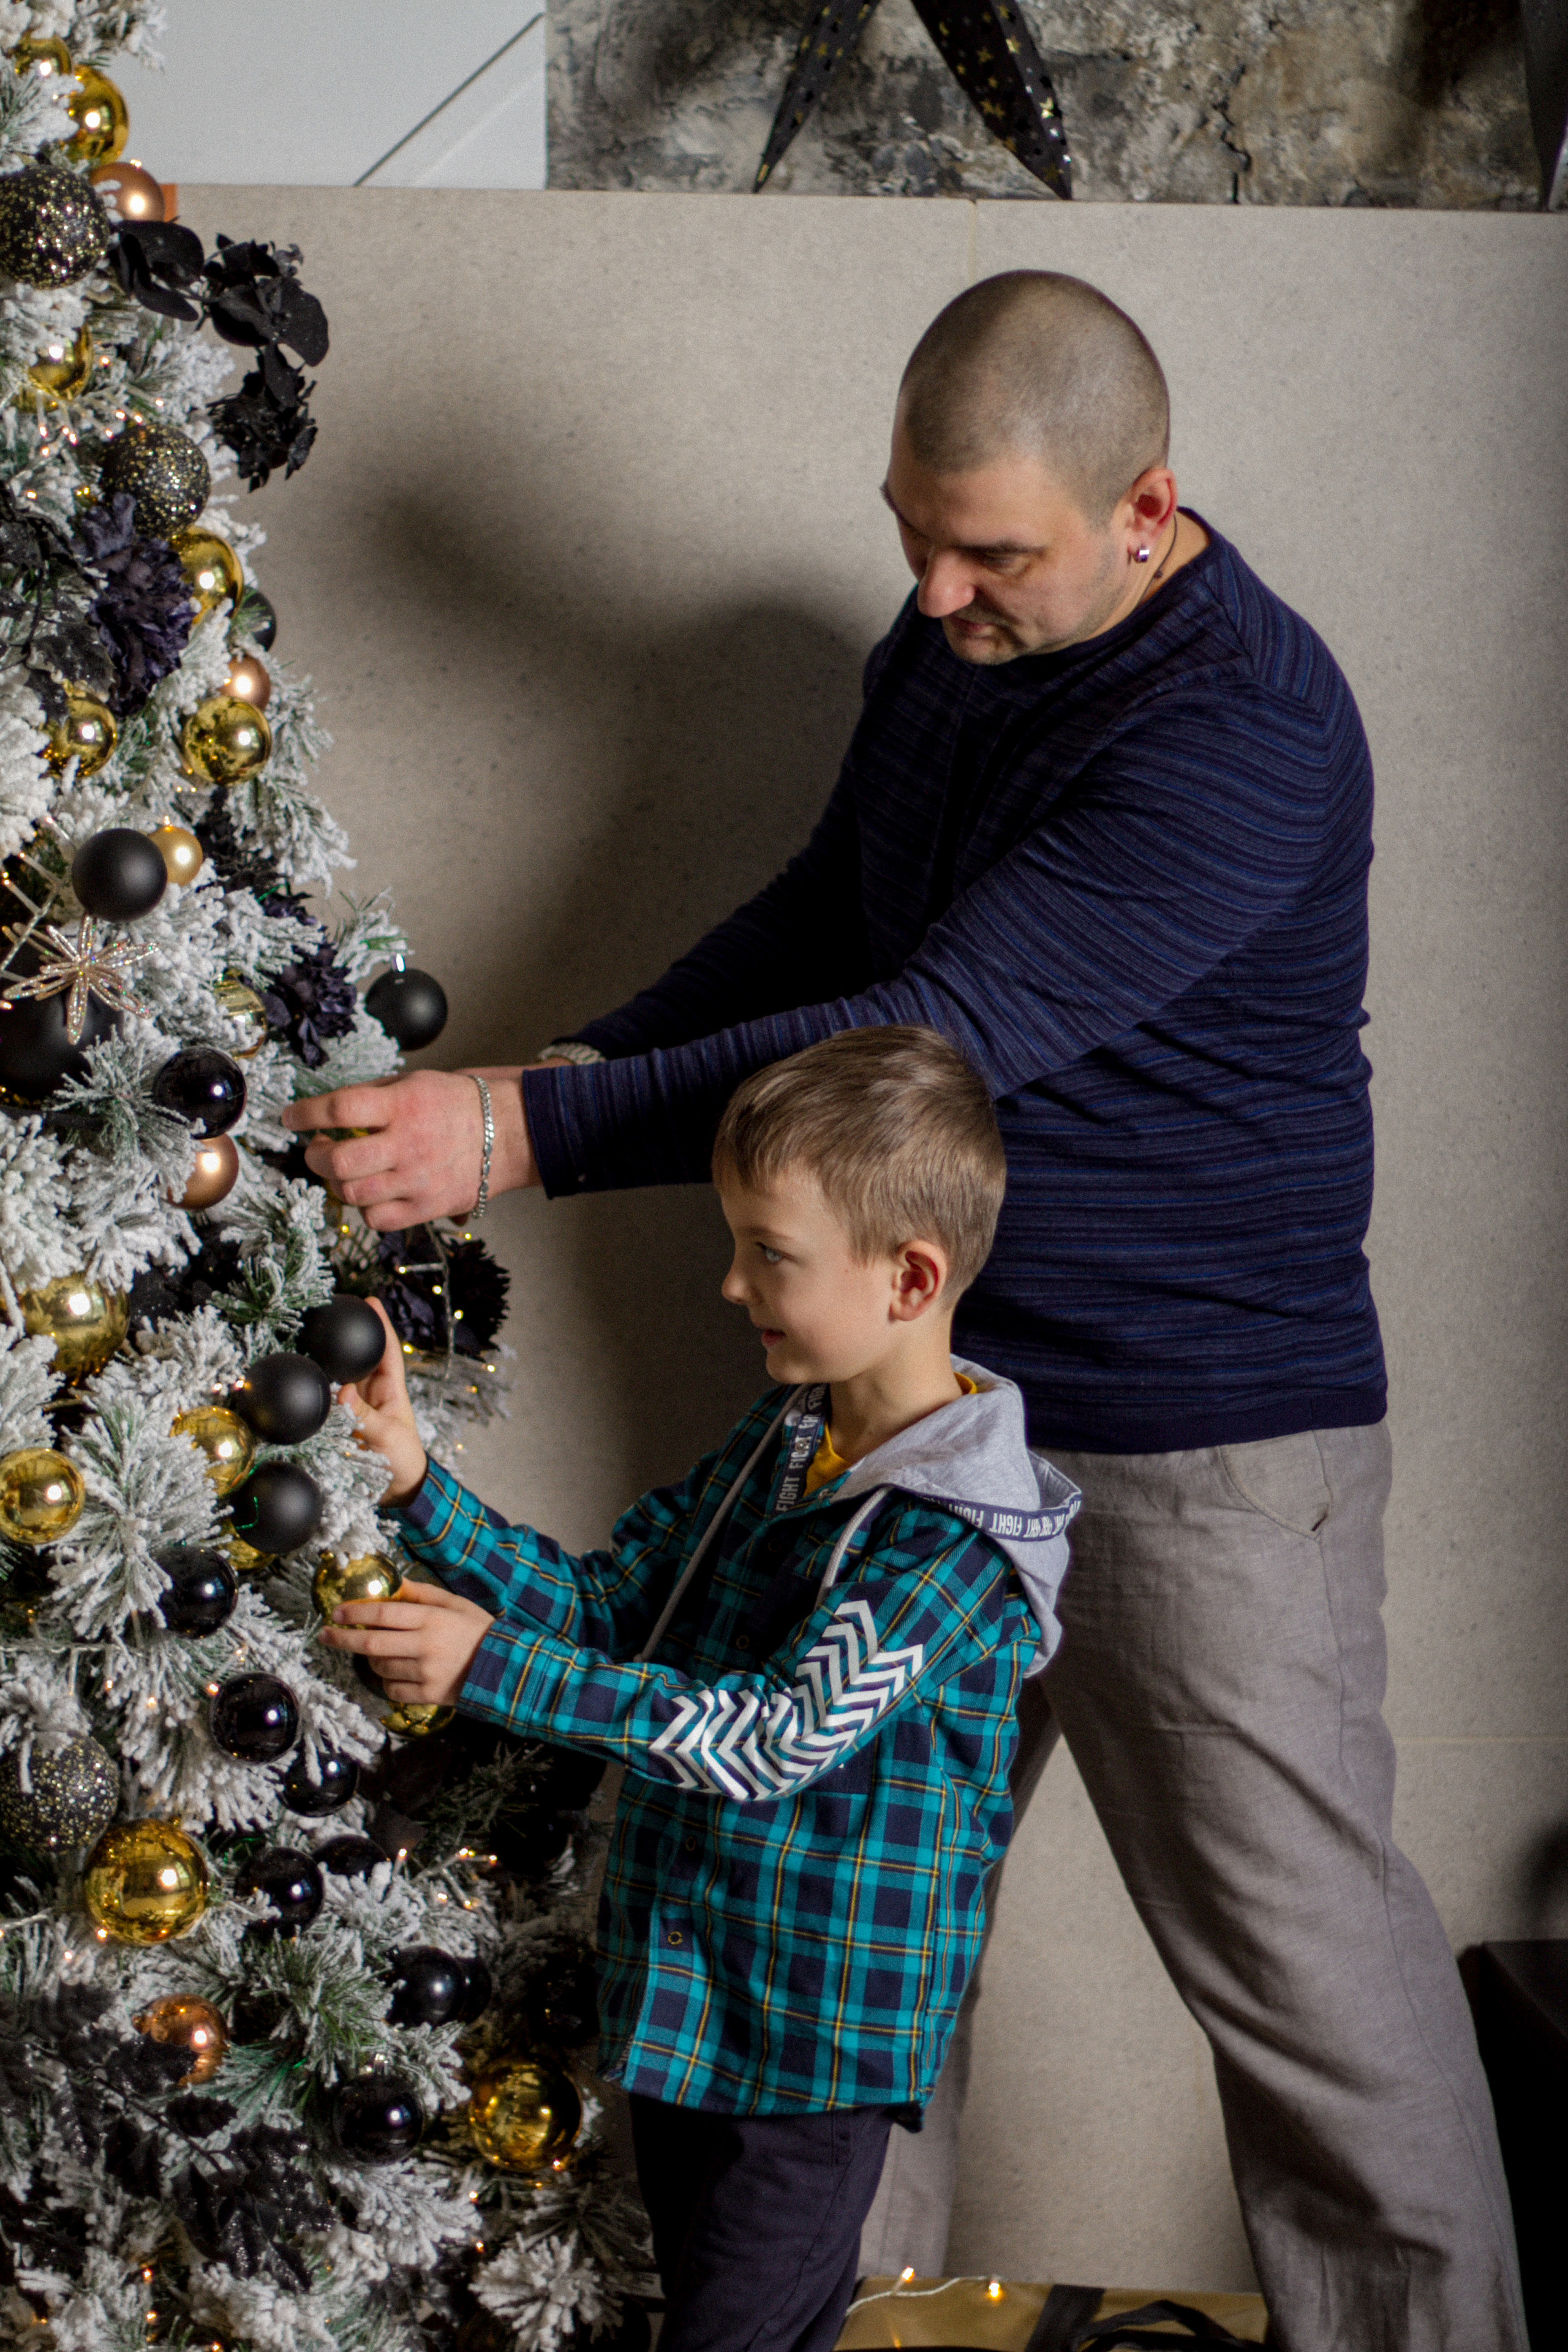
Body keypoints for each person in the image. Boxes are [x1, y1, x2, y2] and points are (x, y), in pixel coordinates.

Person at [289, 272, 1525, 2350]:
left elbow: (924, 1026)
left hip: (1201, 1436)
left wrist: (522, 1136)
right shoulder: (952, 640)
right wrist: (570, 1068)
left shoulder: (1242, 732)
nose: (938, 595)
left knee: (1311, 1989)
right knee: (841, 1915)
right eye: (911, 536)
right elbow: (827, 923)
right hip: (925, 1407)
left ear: (1148, 511)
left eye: (994, 555)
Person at [322, 1027, 1080, 2352]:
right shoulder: (783, 1435)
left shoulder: (954, 1542)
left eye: (768, 1253)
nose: (732, 1286)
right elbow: (621, 1611)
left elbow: (777, 1735)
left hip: (804, 2053)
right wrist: (414, 1484)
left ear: (909, 1277)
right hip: (686, 2006)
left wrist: (487, 1666)